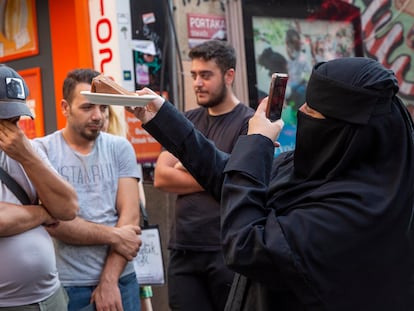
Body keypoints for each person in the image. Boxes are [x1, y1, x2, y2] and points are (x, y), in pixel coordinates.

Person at [127, 57, 414, 310]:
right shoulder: (320, 169)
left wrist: (257, 142)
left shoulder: (359, 211)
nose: (301, 112)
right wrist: (162, 115)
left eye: (312, 113)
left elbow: (247, 245)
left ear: (346, 135)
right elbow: (232, 177)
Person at [153, 39, 254, 311]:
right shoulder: (186, 120)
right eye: (194, 75)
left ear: (229, 75)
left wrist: (188, 166)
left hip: (227, 251)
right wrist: (218, 172)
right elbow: (161, 177)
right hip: (184, 249)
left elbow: (241, 180)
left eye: (206, 75)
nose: (197, 82)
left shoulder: (250, 122)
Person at [33, 69, 142, 311]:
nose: (97, 116)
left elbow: (131, 218)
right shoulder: (42, 151)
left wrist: (109, 280)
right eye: (87, 107)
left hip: (121, 279)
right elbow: (56, 224)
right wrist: (115, 235)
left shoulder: (120, 147)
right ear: (65, 108)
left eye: (103, 108)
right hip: (67, 285)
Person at [0, 64, 79, 309]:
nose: (12, 126)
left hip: (51, 298)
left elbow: (68, 208)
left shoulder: (27, 148)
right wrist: (45, 212)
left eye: (16, 118)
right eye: (3, 117)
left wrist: (27, 157)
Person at [103, 105, 153, 311]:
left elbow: (137, 206)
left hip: (128, 250)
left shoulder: (121, 151)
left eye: (104, 112)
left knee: (142, 297)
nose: (97, 117)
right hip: (103, 251)